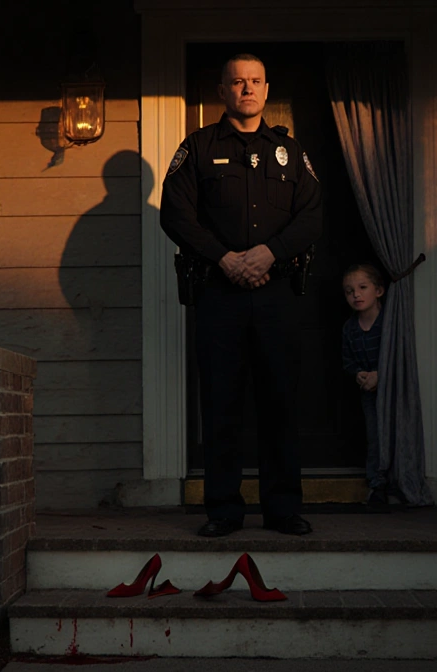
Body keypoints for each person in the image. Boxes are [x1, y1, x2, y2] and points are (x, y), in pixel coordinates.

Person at [160, 53, 323, 537]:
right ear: (222, 91)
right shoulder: (198, 147)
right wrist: (225, 258)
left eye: (254, 81)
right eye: (237, 82)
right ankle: (224, 511)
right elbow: (175, 214)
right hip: (219, 297)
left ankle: (282, 508)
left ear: (266, 90)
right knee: (222, 403)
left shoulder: (290, 153)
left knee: (280, 403)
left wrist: (269, 254)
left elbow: (311, 216)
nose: (246, 89)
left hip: (277, 297)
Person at [340, 263, 390, 512]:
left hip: (391, 388)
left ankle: (398, 481)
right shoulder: (350, 328)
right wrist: (359, 374)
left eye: (362, 288)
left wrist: (382, 374)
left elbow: (397, 355)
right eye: (349, 291)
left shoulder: (390, 322)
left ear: (378, 291)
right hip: (367, 392)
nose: (356, 295)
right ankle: (377, 484)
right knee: (374, 434)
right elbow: (348, 360)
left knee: (393, 431)